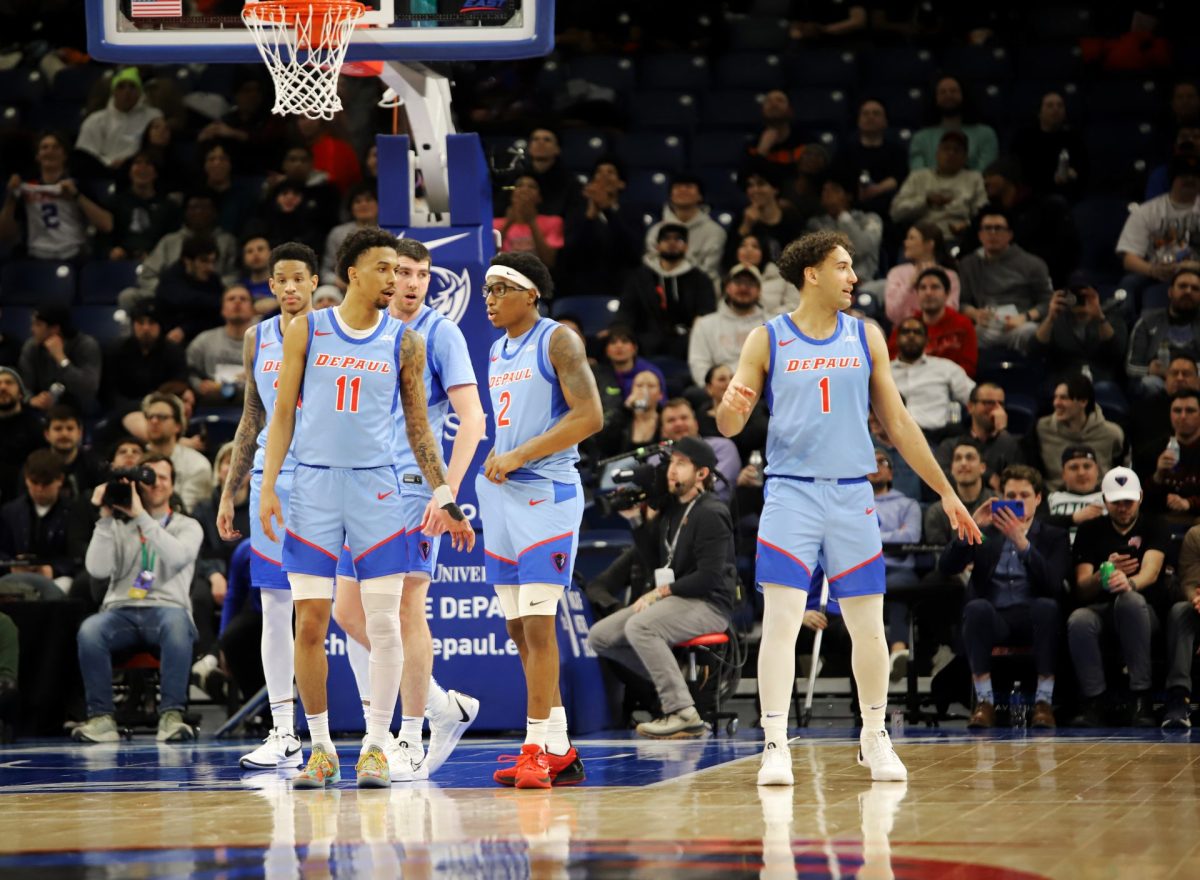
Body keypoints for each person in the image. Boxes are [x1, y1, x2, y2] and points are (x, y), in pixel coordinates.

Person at [716, 230, 981, 786]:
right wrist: (730, 409)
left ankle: (874, 735)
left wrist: (947, 492)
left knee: (869, 627)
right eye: (842, 266)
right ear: (811, 273)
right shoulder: (766, 340)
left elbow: (900, 424)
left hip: (851, 493)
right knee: (783, 623)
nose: (854, 277)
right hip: (790, 492)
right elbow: (730, 424)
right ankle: (774, 743)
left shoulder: (867, 337)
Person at [259, 227, 473, 789]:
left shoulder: (407, 341)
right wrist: (267, 487)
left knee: (384, 622)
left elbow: (421, 429)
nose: (394, 279)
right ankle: (321, 747)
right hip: (313, 489)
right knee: (311, 623)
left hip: (379, 492)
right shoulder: (307, 329)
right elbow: (280, 415)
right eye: (384, 269)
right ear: (352, 272)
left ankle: (378, 746)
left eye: (400, 270)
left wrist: (445, 496)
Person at [331, 237, 487, 781]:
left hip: (412, 485)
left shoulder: (440, 334)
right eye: (403, 272)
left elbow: (473, 419)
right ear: (380, 275)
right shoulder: (362, 328)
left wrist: (447, 493)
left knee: (404, 611)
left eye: (424, 273)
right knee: (347, 614)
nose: (414, 282)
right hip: (357, 484)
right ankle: (445, 705)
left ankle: (413, 732)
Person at [477, 251, 603, 789]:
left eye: (502, 288)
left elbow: (590, 416)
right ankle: (559, 747)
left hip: (546, 495)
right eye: (486, 289)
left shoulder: (558, 339)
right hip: (502, 496)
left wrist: (520, 454)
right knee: (516, 630)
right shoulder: (495, 349)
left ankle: (532, 748)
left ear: (531, 294)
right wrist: (500, 459)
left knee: (538, 625)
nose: (490, 298)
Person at [217, 242, 318, 771]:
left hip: (327, 480)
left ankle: (391, 729)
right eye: (281, 280)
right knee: (276, 610)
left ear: (316, 282)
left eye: (299, 278)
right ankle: (283, 732)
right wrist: (231, 491)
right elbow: (252, 413)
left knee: (349, 607)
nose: (290, 288)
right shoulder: (258, 337)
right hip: (272, 481)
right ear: (272, 286)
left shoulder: (331, 330)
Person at [588, 437, 736, 738]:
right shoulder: (671, 511)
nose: (671, 469)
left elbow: (709, 577)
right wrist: (636, 521)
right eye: (672, 462)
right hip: (679, 600)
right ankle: (676, 684)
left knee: (640, 626)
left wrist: (660, 592)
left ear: (702, 474)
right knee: (599, 636)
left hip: (708, 603)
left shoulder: (711, 512)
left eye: (682, 463)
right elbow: (654, 560)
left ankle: (682, 712)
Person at [73, 454, 204, 743]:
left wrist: (141, 517)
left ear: (172, 485)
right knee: (90, 629)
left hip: (169, 610)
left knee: (177, 625)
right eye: (149, 477)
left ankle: (171, 716)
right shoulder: (117, 525)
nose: (155, 483)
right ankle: (101, 718)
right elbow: (97, 569)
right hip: (121, 611)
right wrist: (105, 519)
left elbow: (178, 557)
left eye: (163, 478)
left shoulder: (188, 526)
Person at [939, 465, 1068, 729]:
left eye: (1024, 496)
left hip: (1033, 615)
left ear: (1039, 498)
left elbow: (1054, 584)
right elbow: (946, 567)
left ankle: (1043, 703)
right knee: (976, 609)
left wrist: (1023, 544)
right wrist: (970, 525)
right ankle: (985, 702)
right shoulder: (986, 533)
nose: (1017, 502)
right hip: (995, 617)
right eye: (1012, 496)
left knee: (1048, 607)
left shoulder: (1054, 535)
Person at [1068, 467, 1167, 727]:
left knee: (1130, 601)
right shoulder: (1089, 530)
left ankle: (1141, 697)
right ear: (1104, 501)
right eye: (1116, 502)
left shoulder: (1154, 524)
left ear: (1141, 498)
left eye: (1128, 501)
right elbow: (1081, 587)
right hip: (1102, 609)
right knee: (1079, 619)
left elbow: (1152, 570)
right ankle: (1094, 701)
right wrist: (1103, 573)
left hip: (1145, 611)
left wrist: (1129, 582)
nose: (1123, 508)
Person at [0, 132, 112, 261]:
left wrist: (77, 196)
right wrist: (11, 197)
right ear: (38, 156)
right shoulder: (27, 187)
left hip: (74, 254)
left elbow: (107, 225)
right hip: (36, 256)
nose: (50, 152)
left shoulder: (78, 185)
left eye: (56, 147)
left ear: (64, 155)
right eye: (45, 147)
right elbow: (4, 234)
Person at [957, 208, 1054, 353]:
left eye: (998, 228)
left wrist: (1025, 317)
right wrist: (975, 314)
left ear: (1010, 234)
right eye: (988, 228)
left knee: (1028, 333)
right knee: (964, 336)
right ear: (980, 235)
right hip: (986, 325)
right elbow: (961, 302)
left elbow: (1047, 302)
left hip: (1021, 323)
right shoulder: (969, 264)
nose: (993, 233)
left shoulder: (1033, 263)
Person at [618, 224, 716, 360]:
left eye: (678, 239)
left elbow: (706, 312)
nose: (672, 243)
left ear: (686, 247)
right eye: (666, 239)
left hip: (687, 341)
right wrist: (620, 331)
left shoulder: (700, 279)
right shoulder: (640, 277)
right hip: (645, 340)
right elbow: (626, 309)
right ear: (657, 246)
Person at [1115, 154, 1200, 308]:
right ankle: (1125, 328)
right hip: (1156, 272)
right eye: (1184, 175)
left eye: (1195, 176)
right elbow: (1128, 258)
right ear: (1172, 179)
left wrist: (1193, 266)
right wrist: (1153, 270)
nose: (1190, 180)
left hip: (1196, 270)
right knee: (1128, 283)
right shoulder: (1147, 211)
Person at [0, 449, 79, 601]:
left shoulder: (73, 512)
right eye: (34, 482)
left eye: (46, 483)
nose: (39, 489)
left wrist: (53, 569)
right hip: (14, 576)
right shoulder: (10, 511)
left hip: (57, 578)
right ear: (26, 479)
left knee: (62, 589)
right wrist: (11, 564)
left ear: (60, 480)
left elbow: (78, 555)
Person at [558, 157, 643, 298]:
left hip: (621, 288)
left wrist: (608, 210)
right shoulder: (577, 213)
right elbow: (569, 255)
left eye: (610, 172)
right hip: (580, 288)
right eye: (599, 172)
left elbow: (633, 253)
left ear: (621, 184)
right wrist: (590, 217)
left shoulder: (631, 214)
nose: (603, 175)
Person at [1028, 375, 1126, 491]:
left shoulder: (1112, 433)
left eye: (1064, 398)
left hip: (1100, 499)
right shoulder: (1042, 428)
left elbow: (1123, 473)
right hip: (1052, 500)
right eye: (1055, 397)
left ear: (1083, 401)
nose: (1056, 403)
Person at [1029, 280, 1128, 389]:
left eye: (1085, 296)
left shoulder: (1111, 318)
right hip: (1064, 381)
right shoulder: (1058, 319)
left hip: (1100, 380)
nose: (1081, 300)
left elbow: (1117, 351)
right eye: (1076, 295)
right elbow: (1035, 350)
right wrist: (1050, 318)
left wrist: (1099, 316)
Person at [889, 317, 974, 442]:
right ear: (896, 340)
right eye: (906, 332)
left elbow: (974, 396)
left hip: (936, 439)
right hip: (893, 439)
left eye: (917, 332)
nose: (911, 336)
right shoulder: (883, 371)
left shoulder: (945, 368)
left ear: (927, 340)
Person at [889, 131, 987, 240]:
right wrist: (926, 201)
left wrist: (967, 225)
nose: (951, 153)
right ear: (937, 153)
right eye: (946, 148)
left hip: (958, 237)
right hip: (922, 238)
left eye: (957, 150)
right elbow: (895, 213)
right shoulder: (918, 177)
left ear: (965, 157)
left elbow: (982, 214)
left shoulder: (975, 178)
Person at [886, 267, 977, 378]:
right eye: (923, 288)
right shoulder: (906, 326)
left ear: (947, 293)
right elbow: (888, 363)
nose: (928, 293)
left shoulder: (963, 325)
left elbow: (969, 367)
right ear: (917, 293)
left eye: (935, 287)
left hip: (949, 385)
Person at [101, 301, 188, 414]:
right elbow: (109, 391)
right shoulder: (116, 350)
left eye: (151, 322)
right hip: (123, 412)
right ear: (133, 325)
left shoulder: (174, 352)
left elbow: (178, 387)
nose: (146, 328)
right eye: (140, 322)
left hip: (162, 411)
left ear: (160, 326)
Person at [644, 172, 726, 291]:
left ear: (700, 196)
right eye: (677, 187)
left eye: (689, 187)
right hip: (661, 291)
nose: (683, 190)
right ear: (670, 195)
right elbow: (652, 265)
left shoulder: (715, 231)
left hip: (701, 292)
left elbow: (709, 270)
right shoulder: (656, 230)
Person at [688, 263, 768, 386]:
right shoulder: (705, 324)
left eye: (750, 284)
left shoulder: (772, 326)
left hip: (760, 389)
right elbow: (698, 363)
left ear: (759, 291)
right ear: (728, 287)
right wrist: (713, 385)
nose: (743, 288)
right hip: (717, 389)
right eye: (738, 282)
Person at [934, 383, 1025, 491]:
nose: (997, 409)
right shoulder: (951, 445)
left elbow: (1015, 486)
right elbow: (939, 481)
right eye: (989, 403)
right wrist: (987, 475)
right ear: (970, 407)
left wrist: (1002, 434)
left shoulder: (1010, 444)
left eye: (1001, 404)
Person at [1126, 268, 1200, 397]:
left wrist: (1186, 374)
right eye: (1183, 286)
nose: (1188, 291)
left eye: (1195, 288)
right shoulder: (1147, 322)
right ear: (1170, 292)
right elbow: (1131, 367)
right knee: (1149, 383)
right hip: (1158, 384)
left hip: (1195, 381)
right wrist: (1149, 370)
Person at [833, 98, 909, 220]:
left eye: (876, 113)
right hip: (851, 211)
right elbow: (837, 181)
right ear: (858, 120)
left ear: (885, 121)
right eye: (866, 113)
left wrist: (878, 189)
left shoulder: (897, 152)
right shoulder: (845, 152)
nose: (870, 117)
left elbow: (901, 177)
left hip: (889, 211)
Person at [76, 68, 162, 174]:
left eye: (132, 86)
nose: (127, 92)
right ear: (114, 92)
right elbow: (85, 152)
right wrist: (109, 162)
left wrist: (128, 163)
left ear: (140, 92)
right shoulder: (95, 120)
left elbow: (157, 151)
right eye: (121, 87)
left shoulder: (153, 117)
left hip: (139, 170)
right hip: (102, 170)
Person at [18, 307, 102, 414]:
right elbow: (24, 384)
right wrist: (31, 399)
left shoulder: (86, 345)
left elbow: (88, 388)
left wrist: (61, 359)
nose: (32, 329)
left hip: (80, 409)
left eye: (38, 325)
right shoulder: (31, 347)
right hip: (42, 409)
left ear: (55, 328)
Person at [907, 75, 999, 173]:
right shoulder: (921, 138)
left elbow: (985, 172)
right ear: (935, 99)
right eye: (942, 92)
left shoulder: (986, 134)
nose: (948, 96)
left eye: (953, 91)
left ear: (964, 95)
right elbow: (918, 174)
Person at [727, 160, 809, 266]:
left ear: (775, 189)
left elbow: (801, 259)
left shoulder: (792, 219)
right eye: (750, 185)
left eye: (761, 184)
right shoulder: (741, 220)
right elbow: (728, 263)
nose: (754, 190)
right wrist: (745, 227)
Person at [1011, 90, 1088, 202]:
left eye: (1060, 105)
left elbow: (1084, 168)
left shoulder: (1074, 138)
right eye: (1050, 105)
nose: (1056, 109)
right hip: (1032, 193)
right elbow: (1019, 170)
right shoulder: (1024, 138)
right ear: (1039, 112)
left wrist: (1073, 174)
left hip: (1067, 193)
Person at [882, 222, 962, 329]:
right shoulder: (896, 273)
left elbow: (951, 311)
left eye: (912, 238)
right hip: (905, 334)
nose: (906, 242)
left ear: (929, 244)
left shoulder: (950, 276)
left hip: (940, 333)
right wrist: (910, 284)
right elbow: (892, 314)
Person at [805, 175, 884, 282]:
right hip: (828, 285)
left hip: (864, 283)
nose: (828, 194)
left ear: (848, 196)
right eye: (825, 190)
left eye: (834, 190)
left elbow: (861, 248)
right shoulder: (815, 224)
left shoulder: (871, 219)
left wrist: (842, 215)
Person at [106, 151, 181, 261]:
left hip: (157, 263)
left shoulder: (169, 207)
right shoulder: (115, 203)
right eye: (137, 163)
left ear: (156, 173)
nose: (142, 168)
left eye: (148, 164)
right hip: (119, 262)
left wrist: (155, 255)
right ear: (130, 171)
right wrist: (111, 251)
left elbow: (172, 240)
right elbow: (104, 237)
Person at [186, 285, 255, 405]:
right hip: (210, 407)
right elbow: (188, 372)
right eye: (231, 299)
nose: (237, 302)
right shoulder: (204, 341)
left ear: (253, 310)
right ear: (223, 310)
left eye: (243, 299)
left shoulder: (267, 342)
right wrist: (199, 386)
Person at [1142, 389, 1200, 524]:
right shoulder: (1152, 451)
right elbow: (1139, 500)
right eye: (1177, 411)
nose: (1183, 416)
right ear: (1170, 415)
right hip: (1159, 520)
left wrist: (1189, 503)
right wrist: (1158, 476)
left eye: (1190, 410)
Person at [923, 438, 996, 546]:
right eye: (958, 458)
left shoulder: (996, 505)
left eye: (970, 458)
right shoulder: (937, 512)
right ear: (952, 468)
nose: (963, 463)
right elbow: (940, 557)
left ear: (982, 467)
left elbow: (997, 546)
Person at [155, 234, 225, 344]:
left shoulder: (213, 280)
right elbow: (184, 300)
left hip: (207, 338)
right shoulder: (170, 280)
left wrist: (186, 329)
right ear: (187, 260)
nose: (210, 268)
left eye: (213, 261)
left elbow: (219, 313)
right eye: (204, 261)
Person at [1131, 355, 1200, 466]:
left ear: (1198, 380)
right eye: (1174, 373)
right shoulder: (1145, 409)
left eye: (1186, 374)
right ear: (1166, 379)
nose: (1180, 378)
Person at [1165, 524, 1200, 728]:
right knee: (1180, 611)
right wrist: (1196, 599)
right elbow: (1189, 582)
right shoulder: (1196, 535)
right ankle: (1178, 698)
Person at [0, 366, 47, 506]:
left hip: (28, 499)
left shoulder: (36, 426)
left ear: (21, 393)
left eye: (9, 382)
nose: (2, 387)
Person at [493, 175, 563, 269]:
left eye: (532, 187)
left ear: (539, 197)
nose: (524, 189)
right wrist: (508, 224)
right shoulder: (495, 224)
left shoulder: (553, 222)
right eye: (519, 185)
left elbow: (549, 261)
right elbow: (489, 257)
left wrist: (532, 222)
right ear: (512, 195)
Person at [1045, 445, 1106, 543]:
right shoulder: (1051, 498)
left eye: (1087, 466)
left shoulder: (1109, 498)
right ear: (1063, 474)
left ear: (1097, 471)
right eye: (1074, 467)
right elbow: (1037, 524)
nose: (1081, 473)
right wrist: (1073, 518)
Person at [43, 404, 105, 499]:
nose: (64, 434)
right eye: (58, 429)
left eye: (70, 428)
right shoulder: (36, 465)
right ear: (47, 434)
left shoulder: (95, 465)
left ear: (80, 433)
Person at [731, 234, 798, 318]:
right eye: (743, 245)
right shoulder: (728, 277)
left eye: (755, 246)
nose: (748, 250)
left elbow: (794, 307)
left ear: (764, 252)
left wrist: (767, 317)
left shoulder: (783, 277)